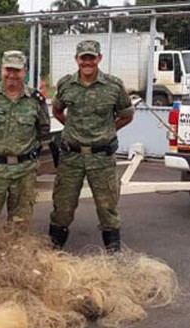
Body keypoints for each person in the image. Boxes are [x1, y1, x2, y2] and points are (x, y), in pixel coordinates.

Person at [49, 40, 134, 252]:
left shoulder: (113, 86)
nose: (87, 62)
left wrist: (107, 130)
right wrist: (73, 128)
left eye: (92, 57)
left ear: (99, 58)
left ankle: (114, 256)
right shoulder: (66, 84)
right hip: (71, 158)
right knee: (62, 207)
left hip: (102, 158)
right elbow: (57, 111)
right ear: (76, 59)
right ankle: (52, 255)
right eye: (83, 58)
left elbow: (127, 115)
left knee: (107, 208)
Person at [0, 50, 50, 238]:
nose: (12, 74)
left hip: (24, 170)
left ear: (25, 71)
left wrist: (24, 149)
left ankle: (15, 260)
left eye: (17, 70)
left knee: (20, 223)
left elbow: (43, 129)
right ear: (2, 69)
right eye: (8, 69)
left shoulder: (35, 100)